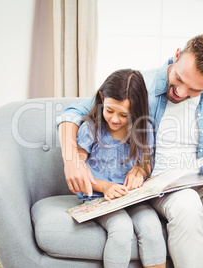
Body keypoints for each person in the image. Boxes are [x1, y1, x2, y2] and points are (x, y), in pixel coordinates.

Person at [57, 35, 203, 268]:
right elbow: (73, 113)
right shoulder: (140, 85)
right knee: (187, 202)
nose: (180, 91)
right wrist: (72, 161)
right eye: (179, 79)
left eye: (194, 89)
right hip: (162, 188)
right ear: (177, 54)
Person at [60, 69, 166, 268]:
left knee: (152, 228)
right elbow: (79, 169)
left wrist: (139, 171)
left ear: (137, 109)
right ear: (102, 98)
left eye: (124, 114)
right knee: (121, 229)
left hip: (131, 198)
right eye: (109, 110)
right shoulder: (91, 129)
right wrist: (106, 187)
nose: (115, 119)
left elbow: (146, 165)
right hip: (99, 197)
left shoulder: (143, 129)